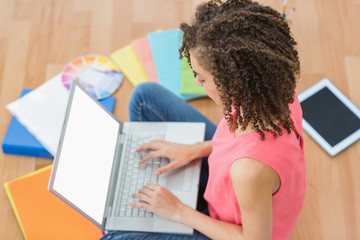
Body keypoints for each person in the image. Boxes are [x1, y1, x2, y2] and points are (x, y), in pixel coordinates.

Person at [101, 0, 305, 239]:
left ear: (233, 84)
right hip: (226, 183)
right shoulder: (273, 93)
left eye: (201, 77)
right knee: (144, 96)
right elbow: (236, 145)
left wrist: (179, 212)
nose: (197, 83)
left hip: (229, 226)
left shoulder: (249, 171)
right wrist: (196, 149)